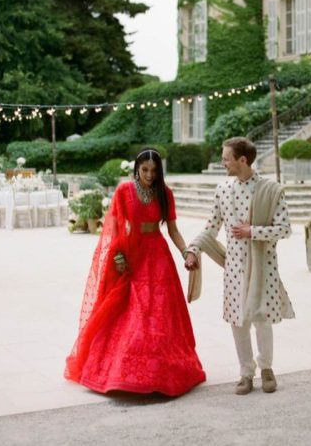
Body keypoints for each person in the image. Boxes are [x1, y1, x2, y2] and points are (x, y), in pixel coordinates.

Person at [65, 148, 206, 396]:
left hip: (159, 256)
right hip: (132, 254)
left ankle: (159, 371)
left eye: (154, 170)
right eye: (145, 170)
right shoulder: (124, 191)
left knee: (159, 313)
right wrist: (118, 257)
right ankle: (126, 371)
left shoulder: (165, 194)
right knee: (134, 310)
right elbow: (115, 228)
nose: (150, 175)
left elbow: (173, 230)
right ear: (136, 168)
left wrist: (187, 252)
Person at [184, 137, 294, 395]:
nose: (223, 163)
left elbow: (285, 229)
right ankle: (246, 372)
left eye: (226, 158)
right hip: (233, 268)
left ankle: (266, 369)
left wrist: (252, 231)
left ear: (242, 160)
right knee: (237, 322)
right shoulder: (222, 190)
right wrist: (193, 250)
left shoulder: (270, 190)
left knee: (261, 319)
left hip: (263, 266)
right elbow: (211, 227)